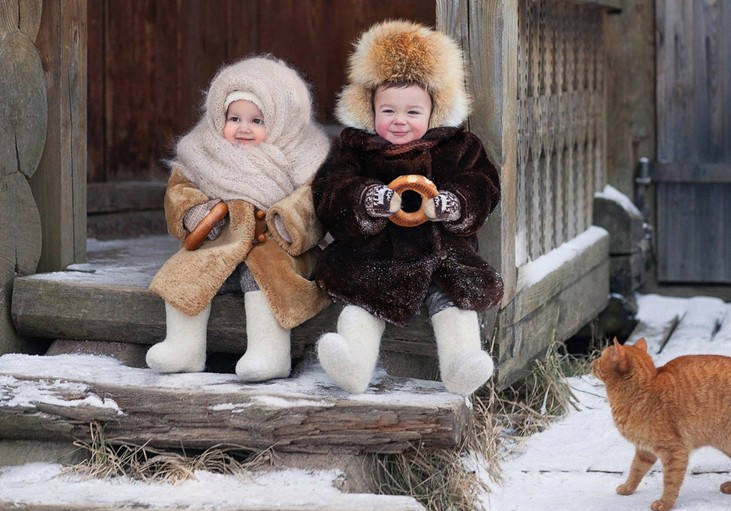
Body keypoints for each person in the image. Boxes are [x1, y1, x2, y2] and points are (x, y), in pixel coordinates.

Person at [311, 20, 504, 396]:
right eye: (388, 111)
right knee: (360, 302)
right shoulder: (354, 149)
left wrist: (455, 204)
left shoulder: (459, 148)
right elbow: (330, 190)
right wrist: (366, 199)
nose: (399, 121)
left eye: (412, 113)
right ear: (369, 108)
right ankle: (353, 364)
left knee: (455, 303)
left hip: (441, 255)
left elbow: (482, 185)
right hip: (372, 257)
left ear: (435, 110)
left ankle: (460, 365)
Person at [147, 55, 331, 381]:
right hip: (222, 240)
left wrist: (288, 221)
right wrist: (195, 212)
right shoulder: (201, 150)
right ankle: (183, 347)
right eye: (235, 118)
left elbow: (314, 202)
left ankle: (269, 353)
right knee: (186, 271)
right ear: (220, 116)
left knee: (262, 275)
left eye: (257, 121)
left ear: (279, 121)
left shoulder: (306, 155)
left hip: (275, 245)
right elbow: (180, 188)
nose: (243, 128)